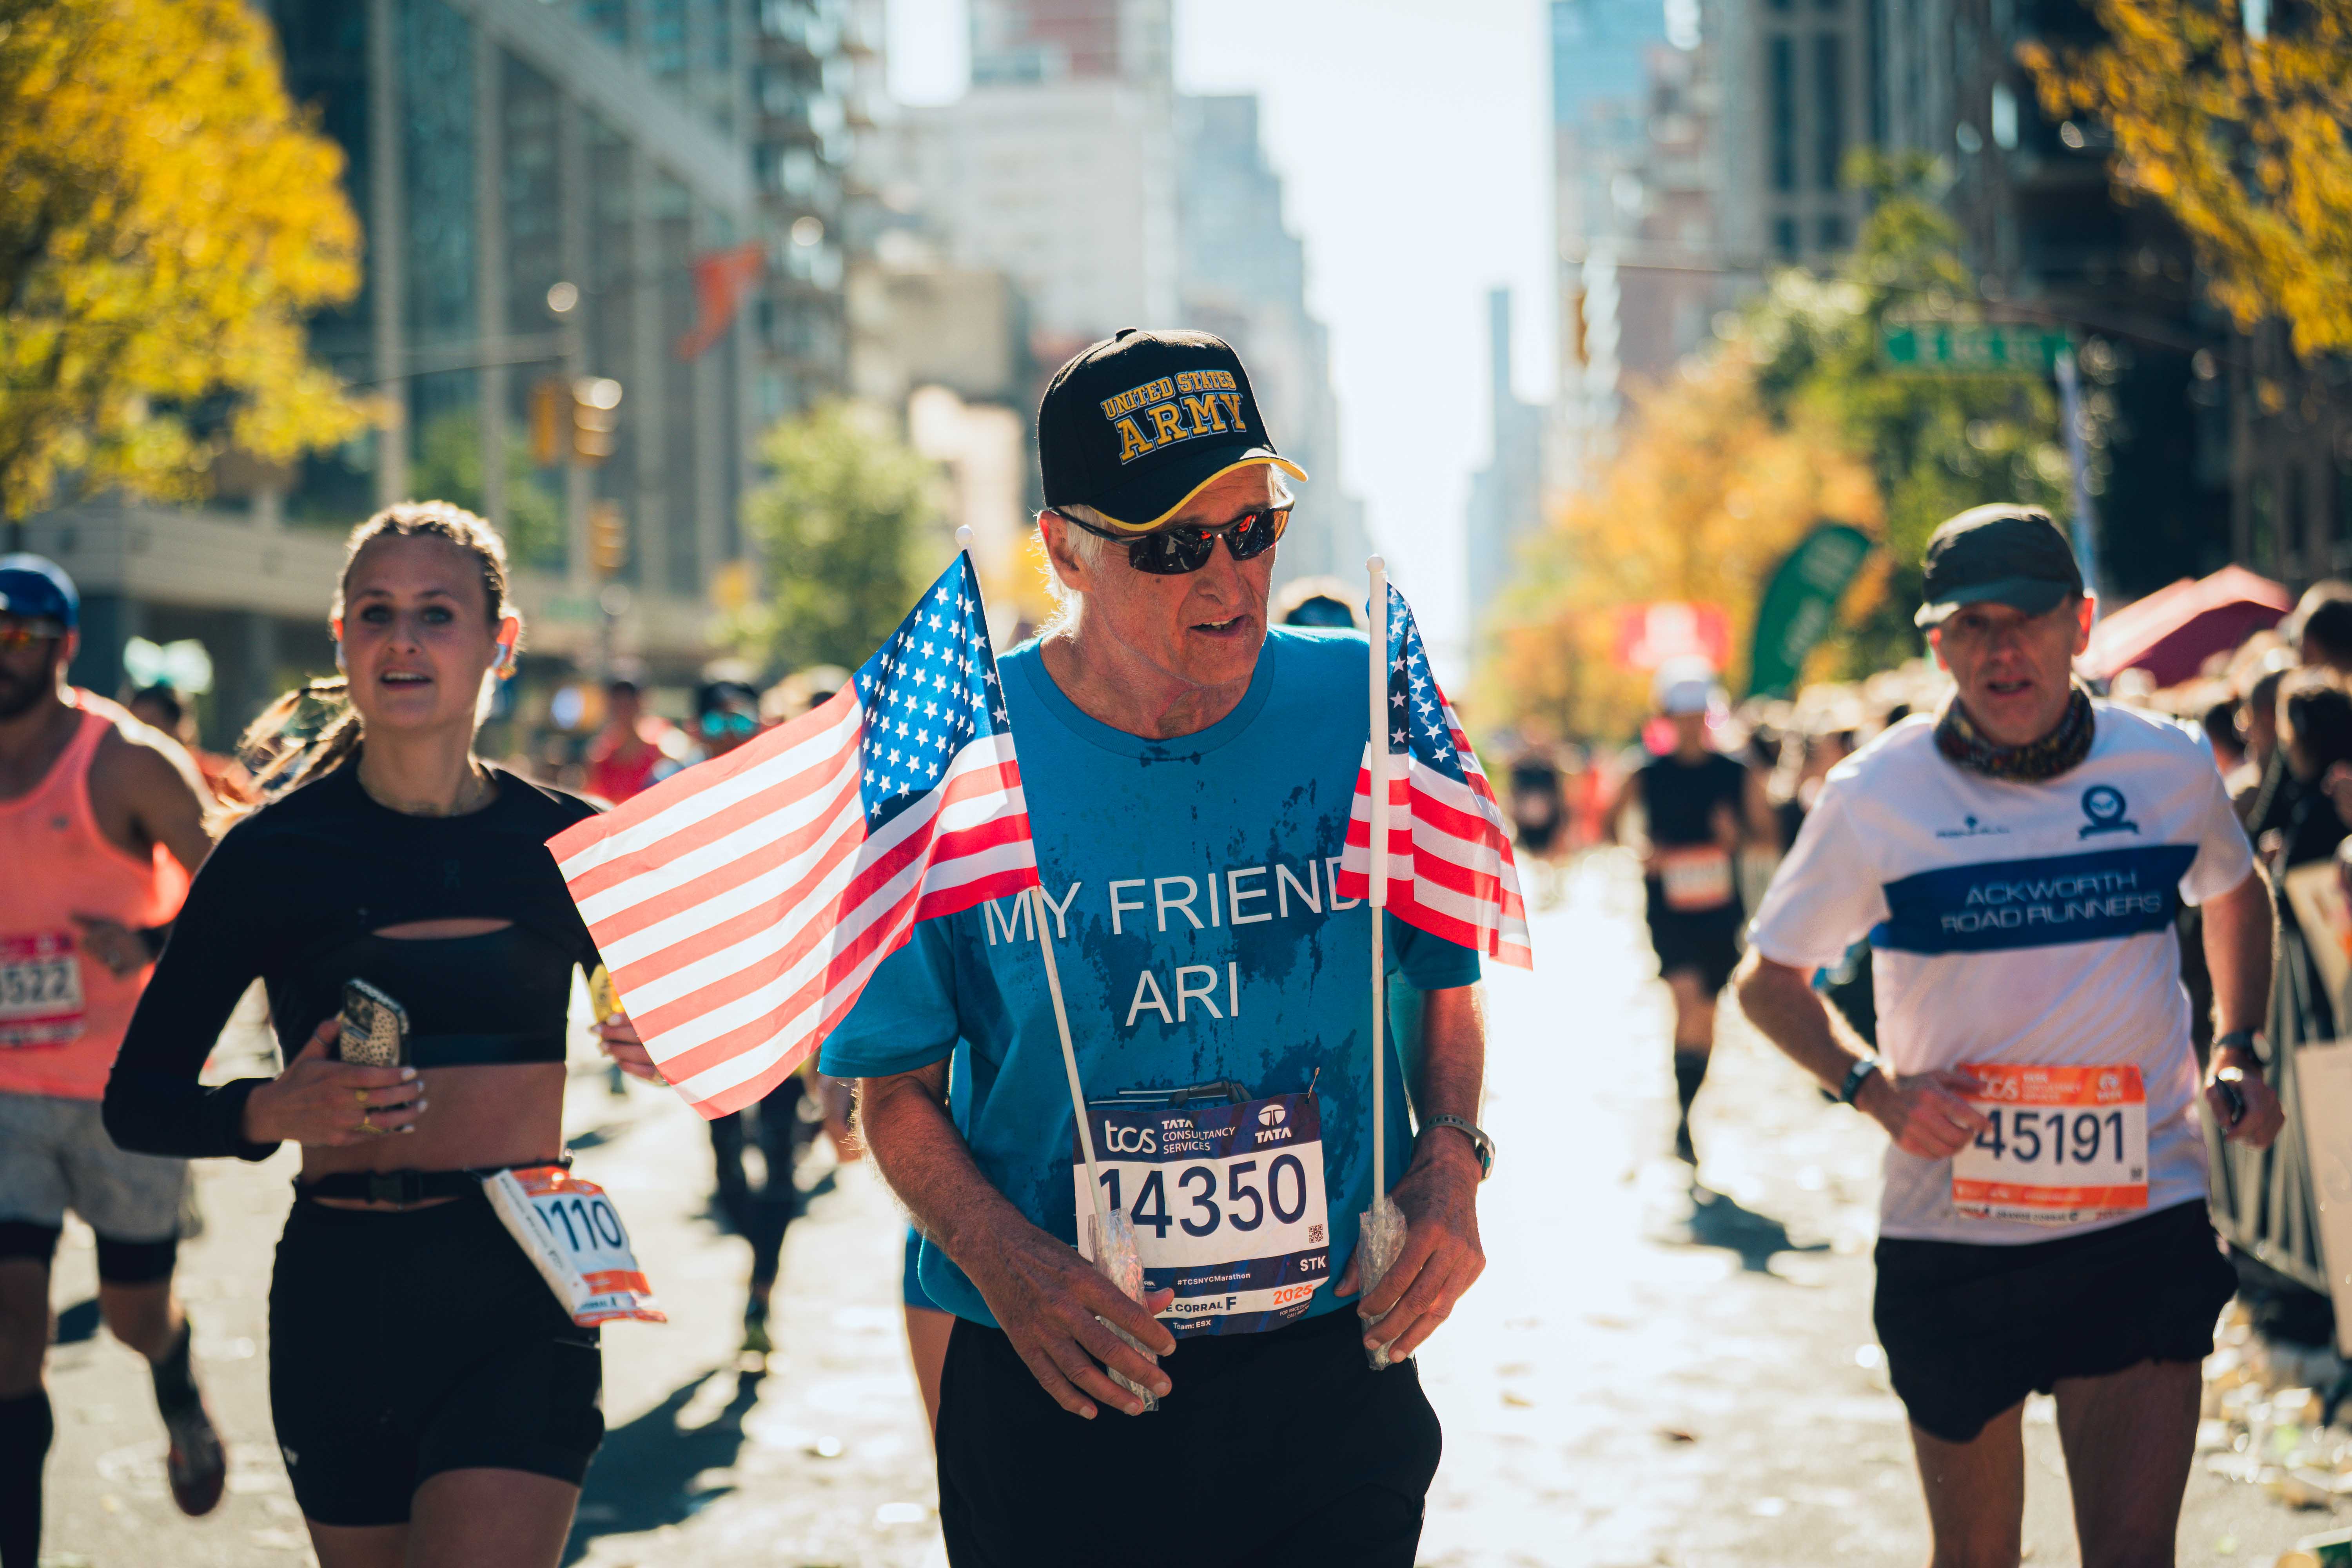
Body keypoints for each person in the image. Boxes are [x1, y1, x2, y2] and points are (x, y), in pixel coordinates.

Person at [824, 329, 1490, 1565]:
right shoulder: (953, 757)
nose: (1229, 577)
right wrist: (1006, 1262)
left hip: (1328, 1370)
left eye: (1253, 527)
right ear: (1064, 549)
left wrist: (1450, 1158)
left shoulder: (1367, 706)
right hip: (1062, 1373)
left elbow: (1443, 977)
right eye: (1173, 546)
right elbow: (894, 1093)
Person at [1733, 504, 2281, 1568]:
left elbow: (2235, 889)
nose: (2000, 649)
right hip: (1956, 1239)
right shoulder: (1876, 794)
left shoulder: (2164, 763)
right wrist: (1870, 1086)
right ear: (1937, 645)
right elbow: (1769, 981)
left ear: (2081, 623)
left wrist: (2239, 1044)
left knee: (2134, 1554)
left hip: (2139, 1216)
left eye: (2025, 618)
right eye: (1970, 625)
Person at [102, 504, 649, 1568]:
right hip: (344, 1295)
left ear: (500, 641)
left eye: (437, 613)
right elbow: (138, 1100)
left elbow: (689, 1021)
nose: (403, 639)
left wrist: (663, 1045)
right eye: (376, 613)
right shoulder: (271, 856)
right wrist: (267, 1109)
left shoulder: (577, 843)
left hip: (523, 1289)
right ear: (341, 639)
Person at [0, 556, 226, 1567]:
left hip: (121, 1088)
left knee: (133, 1312)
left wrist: (152, 940)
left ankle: (174, 1372)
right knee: (12, 1328)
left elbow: (234, 889)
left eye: (21, 637)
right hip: (7, 1092)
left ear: (66, 647)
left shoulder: (126, 763)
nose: (3, 655)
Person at [1601, 658, 1778, 1163]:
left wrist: (1736, 838)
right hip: (1670, 908)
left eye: (1697, 715)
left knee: (1706, 1012)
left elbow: (1768, 837)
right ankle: (1682, 1119)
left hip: (1720, 910)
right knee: (1685, 1000)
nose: (1690, 725)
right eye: (1680, 716)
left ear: (1709, 716)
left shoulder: (1737, 772)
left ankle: (1687, 1112)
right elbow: (1610, 824)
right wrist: (1641, 852)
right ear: (1666, 718)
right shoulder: (1645, 771)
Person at [127, 684, 249, 807]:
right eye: (134, 726)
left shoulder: (221, 781)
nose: (140, 735)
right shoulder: (129, 784)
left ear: (178, 726)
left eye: (150, 724)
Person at [583, 668, 677, 803]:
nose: (623, 708)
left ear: (640, 702)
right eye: (618, 701)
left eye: (629, 700)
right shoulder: (600, 757)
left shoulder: (663, 747)